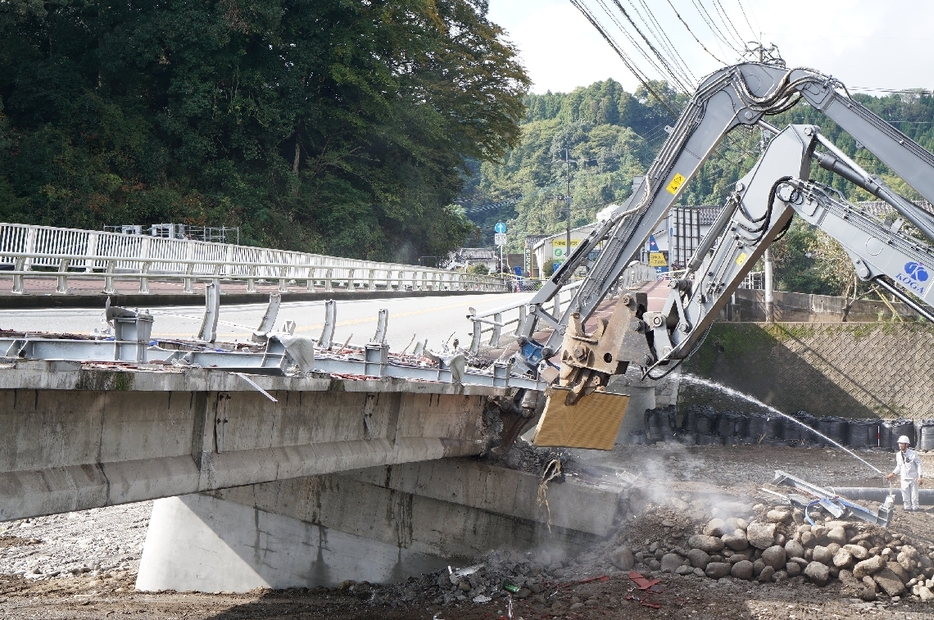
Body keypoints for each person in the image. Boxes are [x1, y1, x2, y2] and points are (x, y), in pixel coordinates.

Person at [885, 435, 923, 511]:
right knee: (905, 496)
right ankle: (907, 509)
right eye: (899, 443)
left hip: (913, 478)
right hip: (904, 478)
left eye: (901, 443)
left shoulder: (913, 454)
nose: (900, 445)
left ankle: (915, 509)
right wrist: (892, 474)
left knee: (914, 496)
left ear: (906, 444)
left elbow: (918, 465)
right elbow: (899, 466)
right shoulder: (898, 455)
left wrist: (920, 476)